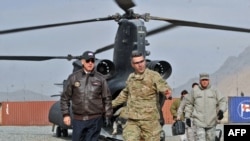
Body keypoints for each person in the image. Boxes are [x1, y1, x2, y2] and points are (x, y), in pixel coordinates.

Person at [112, 50, 172, 141]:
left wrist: (166, 91)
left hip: (149, 121)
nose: (140, 65)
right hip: (133, 120)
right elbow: (125, 94)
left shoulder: (153, 76)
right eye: (137, 63)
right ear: (132, 65)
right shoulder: (131, 78)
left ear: (144, 61)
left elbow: (162, 86)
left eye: (141, 61)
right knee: (129, 138)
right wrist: (110, 105)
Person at [60, 51, 113, 141]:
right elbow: (65, 98)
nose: (90, 63)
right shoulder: (73, 78)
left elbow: (107, 98)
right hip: (78, 120)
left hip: (95, 120)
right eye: (88, 61)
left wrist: (108, 116)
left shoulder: (101, 79)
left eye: (92, 61)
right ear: (82, 61)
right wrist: (66, 115)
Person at [184, 73, 227, 141]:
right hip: (199, 122)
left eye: (206, 80)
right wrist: (187, 117)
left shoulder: (214, 90)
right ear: (200, 81)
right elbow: (189, 104)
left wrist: (221, 110)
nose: (204, 82)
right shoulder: (195, 91)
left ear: (209, 80)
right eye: (203, 80)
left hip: (211, 122)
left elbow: (223, 101)